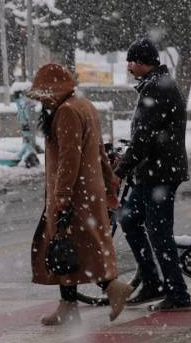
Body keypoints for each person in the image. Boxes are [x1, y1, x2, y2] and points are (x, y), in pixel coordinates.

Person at [27, 63, 131, 326]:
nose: (42, 102)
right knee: (78, 249)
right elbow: (98, 151)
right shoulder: (84, 106)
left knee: (67, 249)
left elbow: (68, 159)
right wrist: (109, 185)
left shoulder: (67, 112)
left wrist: (61, 196)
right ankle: (71, 304)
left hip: (74, 194)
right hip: (88, 189)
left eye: (44, 95)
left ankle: (109, 288)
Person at [115, 37, 191, 312]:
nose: (128, 66)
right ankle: (151, 280)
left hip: (159, 174)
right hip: (151, 172)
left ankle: (177, 294)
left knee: (160, 234)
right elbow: (144, 134)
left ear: (141, 62)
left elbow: (144, 137)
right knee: (128, 218)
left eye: (131, 60)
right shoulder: (154, 84)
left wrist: (120, 170)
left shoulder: (158, 89)